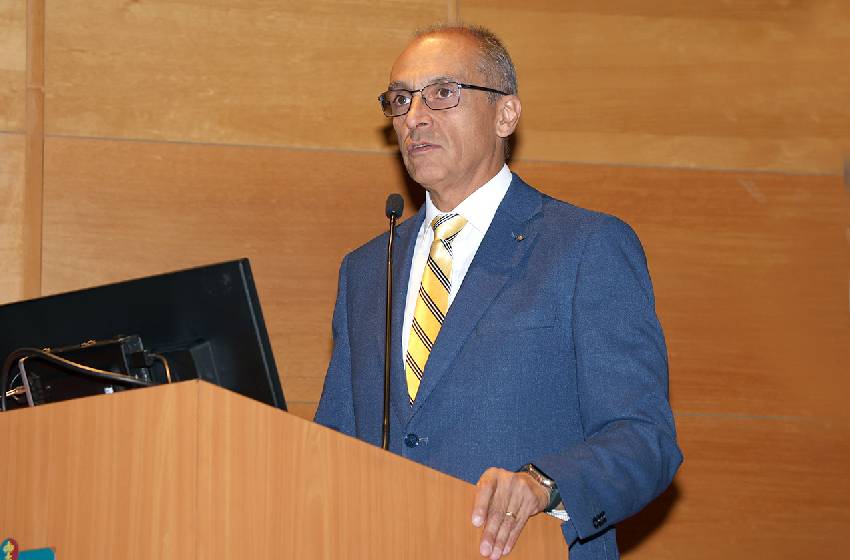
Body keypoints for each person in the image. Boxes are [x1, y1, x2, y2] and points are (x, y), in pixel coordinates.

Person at [315, 23, 682, 560]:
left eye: (442, 93)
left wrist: (544, 484)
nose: (414, 116)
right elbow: (334, 446)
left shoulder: (585, 247)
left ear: (505, 114)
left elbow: (645, 438)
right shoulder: (368, 269)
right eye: (401, 99)